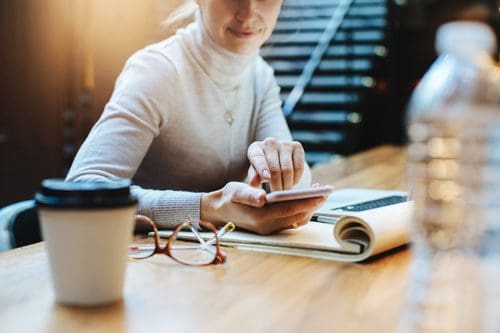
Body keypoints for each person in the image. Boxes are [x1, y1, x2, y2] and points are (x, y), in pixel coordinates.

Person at [66, 0, 327, 235]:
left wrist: (286, 168)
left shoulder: (260, 75)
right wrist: (208, 209)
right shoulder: (157, 70)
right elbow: (81, 191)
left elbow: (292, 186)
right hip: (147, 265)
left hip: (221, 263)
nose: (248, 13)